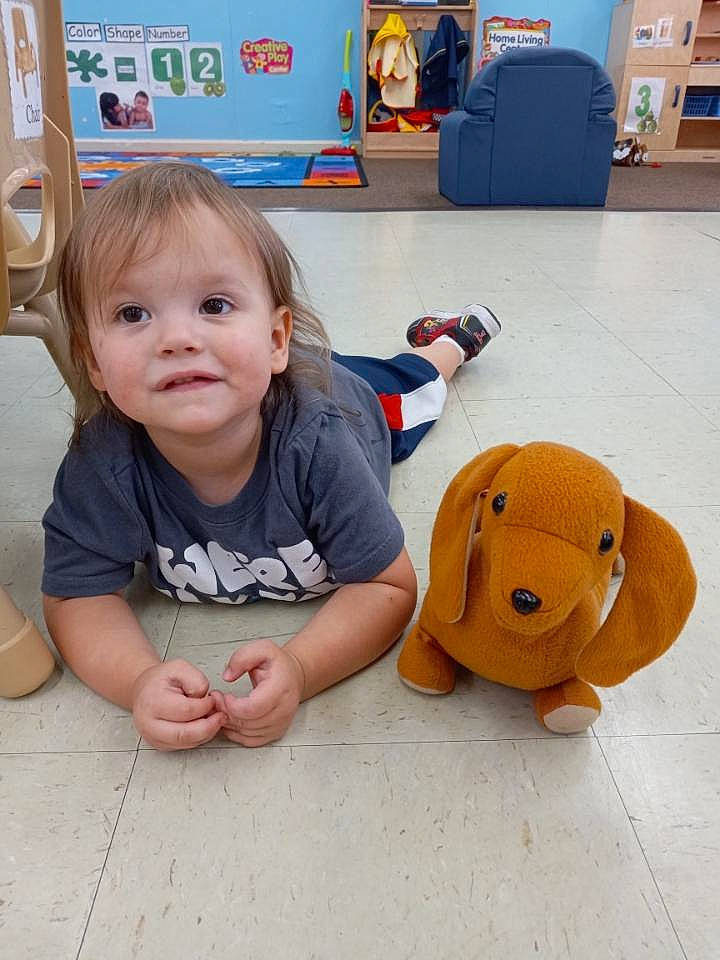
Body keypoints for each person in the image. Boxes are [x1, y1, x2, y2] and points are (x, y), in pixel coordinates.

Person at [42, 163, 501, 751]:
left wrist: (302, 668)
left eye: (213, 304)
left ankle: (452, 341)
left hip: (354, 400)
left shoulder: (320, 442)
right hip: (266, 376)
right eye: (133, 314)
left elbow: (388, 587)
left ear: (278, 338)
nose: (178, 339)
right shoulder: (103, 465)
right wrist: (135, 681)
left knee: (417, 387)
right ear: (93, 362)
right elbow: (75, 594)